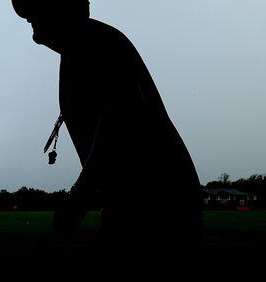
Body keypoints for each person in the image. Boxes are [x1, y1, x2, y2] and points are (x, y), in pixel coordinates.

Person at [12, 0, 203, 248]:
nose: (36, 38)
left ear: (59, 12)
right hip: (143, 203)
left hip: (153, 206)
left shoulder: (92, 45)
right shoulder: (86, 47)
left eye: (35, 20)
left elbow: (119, 124)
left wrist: (77, 201)